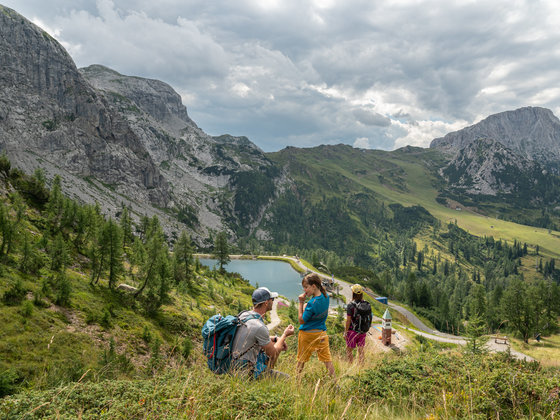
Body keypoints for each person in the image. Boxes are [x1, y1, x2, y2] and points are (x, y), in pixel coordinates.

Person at [231, 287, 295, 379]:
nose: (273, 302)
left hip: (232, 364)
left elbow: (251, 336)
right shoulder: (259, 326)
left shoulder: (244, 315)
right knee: (287, 378)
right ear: (266, 303)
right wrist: (284, 335)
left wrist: (275, 339)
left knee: (269, 346)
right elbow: (273, 354)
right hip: (244, 372)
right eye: (272, 299)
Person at [297, 273, 335, 377]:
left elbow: (301, 320)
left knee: (301, 359)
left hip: (307, 335)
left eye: (306, 287)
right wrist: (307, 305)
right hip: (321, 333)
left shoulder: (311, 303)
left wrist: (301, 303)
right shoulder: (325, 296)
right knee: (327, 360)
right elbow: (316, 309)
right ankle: (335, 382)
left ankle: (297, 381)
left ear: (314, 286)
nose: (304, 290)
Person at [345, 284, 370, 364]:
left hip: (352, 331)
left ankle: (350, 366)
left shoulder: (350, 305)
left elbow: (348, 320)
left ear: (353, 293)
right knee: (361, 350)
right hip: (362, 331)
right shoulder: (366, 304)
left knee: (349, 350)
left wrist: (346, 331)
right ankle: (361, 368)